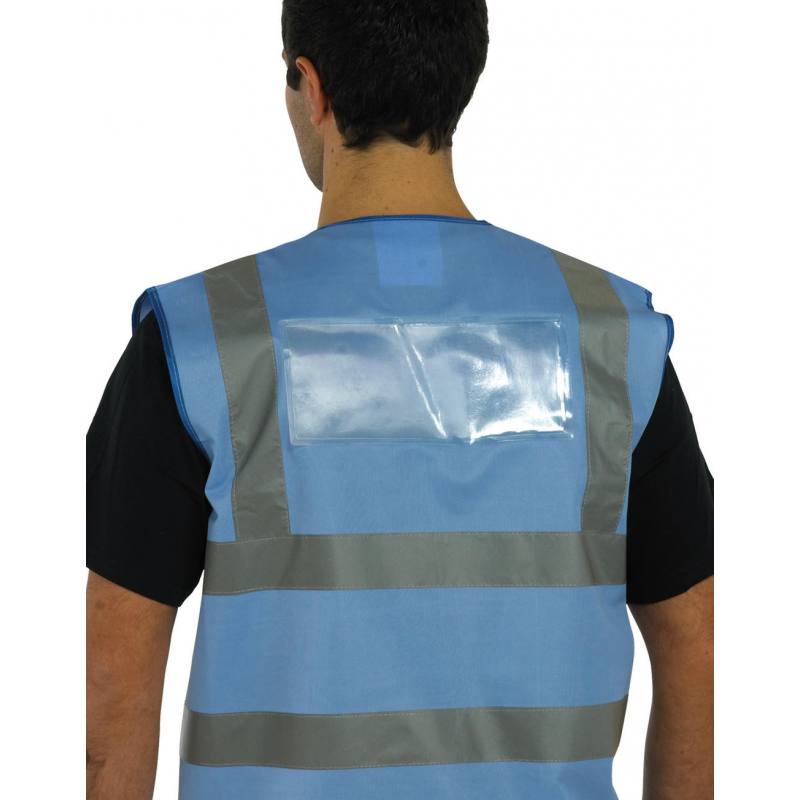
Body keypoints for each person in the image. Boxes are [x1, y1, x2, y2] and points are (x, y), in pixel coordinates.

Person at [86, 2, 713, 798]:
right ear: (463, 77)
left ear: (311, 87)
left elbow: (110, 685)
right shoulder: (613, 340)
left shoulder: (204, 340)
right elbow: (698, 650)